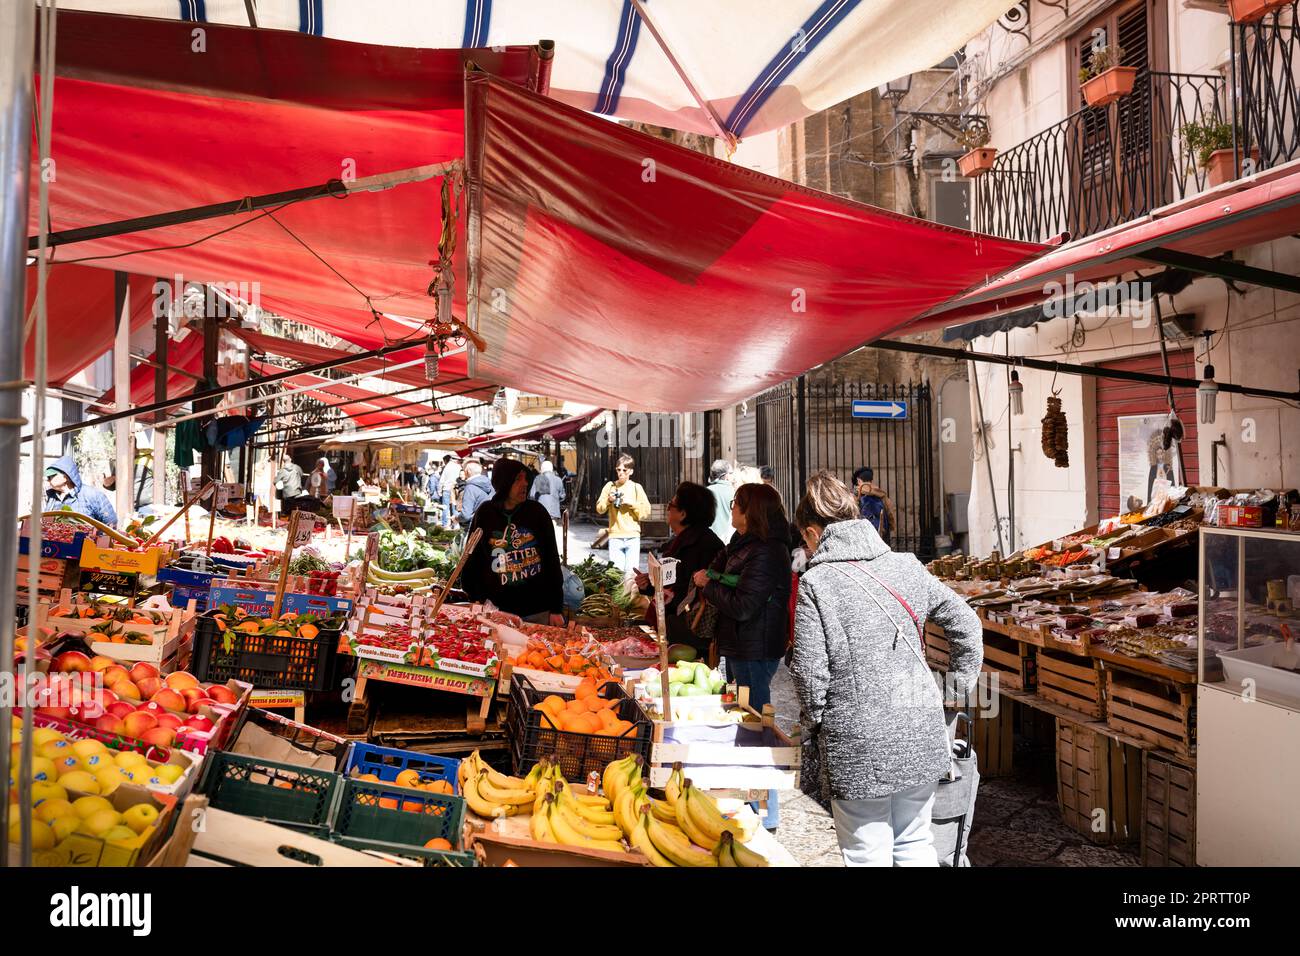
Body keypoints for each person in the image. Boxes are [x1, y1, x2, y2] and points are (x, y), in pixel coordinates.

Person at [789, 471, 982, 867]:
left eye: (804, 539)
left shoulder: (817, 583)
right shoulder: (908, 567)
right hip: (920, 727)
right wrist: (954, 692)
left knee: (867, 853)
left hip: (856, 741)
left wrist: (814, 725)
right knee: (915, 844)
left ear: (812, 532)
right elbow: (967, 624)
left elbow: (809, 673)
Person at [692, 481, 790, 831]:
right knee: (742, 722)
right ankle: (748, 802)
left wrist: (709, 586)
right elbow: (716, 568)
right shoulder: (742, 543)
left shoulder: (768, 550)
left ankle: (767, 811)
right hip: (738, 644)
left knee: (757, 726)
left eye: (736, 504)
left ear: (751, 512)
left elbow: (746, 605)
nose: (731, 509)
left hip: (755, 647)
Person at [461, 458, 565, 624]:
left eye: (526, 478)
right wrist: (476, 598)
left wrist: (556, 608)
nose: (525, 484)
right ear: (504, 483)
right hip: (497, 611)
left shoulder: (537, 513)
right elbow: (472, 559)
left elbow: (552, 560)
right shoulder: (485, 513)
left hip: (537, 610)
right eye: (518, 479)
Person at [634, 481, 723, 658]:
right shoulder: (680, 542)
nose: (668, 509)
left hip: (690, 630)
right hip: (676, 625)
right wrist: (650, 583)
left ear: (682, 514)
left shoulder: (703, 545)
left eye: (670, 505)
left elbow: (683, 589)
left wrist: (656, 586)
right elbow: (671, 584)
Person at [596, 454, 651, 576]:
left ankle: (630, 595)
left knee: (632, 576)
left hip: (633, 537)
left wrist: (631, 503)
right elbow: (599, 509)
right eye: (618, 470)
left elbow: (646, 512)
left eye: (624, 470)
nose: (621, 473)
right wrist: (609, 501)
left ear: (631, 471)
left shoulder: (637, 488)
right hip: (615, 536)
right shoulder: (610, 486)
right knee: (616, 575)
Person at [44, 455, 117, 527]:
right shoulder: (51, 498)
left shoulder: (92, 495)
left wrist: (96, 537)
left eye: (51, 476)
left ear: (65, 477)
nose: (48, 479)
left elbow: (111, 524)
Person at [852, 466, 897, 546]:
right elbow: (890, 514)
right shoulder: (881, 494)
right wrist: (891, 527)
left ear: (858, 481)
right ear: (871, 481)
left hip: (863, 537)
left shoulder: (855, 495)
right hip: (881, 535)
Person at [706, 459, 735, 545]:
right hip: (729, 543)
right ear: (726, 475)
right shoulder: (735, 492)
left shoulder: (705, 492)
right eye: (731, 473)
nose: (733, 476)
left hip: (709, 542)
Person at [458, 460, 495, 525]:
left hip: (477, 526)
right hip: (491, 523)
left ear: (467, 471)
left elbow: (465, 516)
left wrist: (456, 518)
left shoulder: (470, 487)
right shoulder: (490, 484)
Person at [438, 454, 461, 529]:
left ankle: (445, 524)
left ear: (445, 460)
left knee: (445, 507)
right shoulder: (458, 466)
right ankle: (455, 524)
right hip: (455, 489)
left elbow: (442, 480)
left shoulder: (447, 467)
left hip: (446, 489)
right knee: (454, 507)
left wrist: (439, 491)